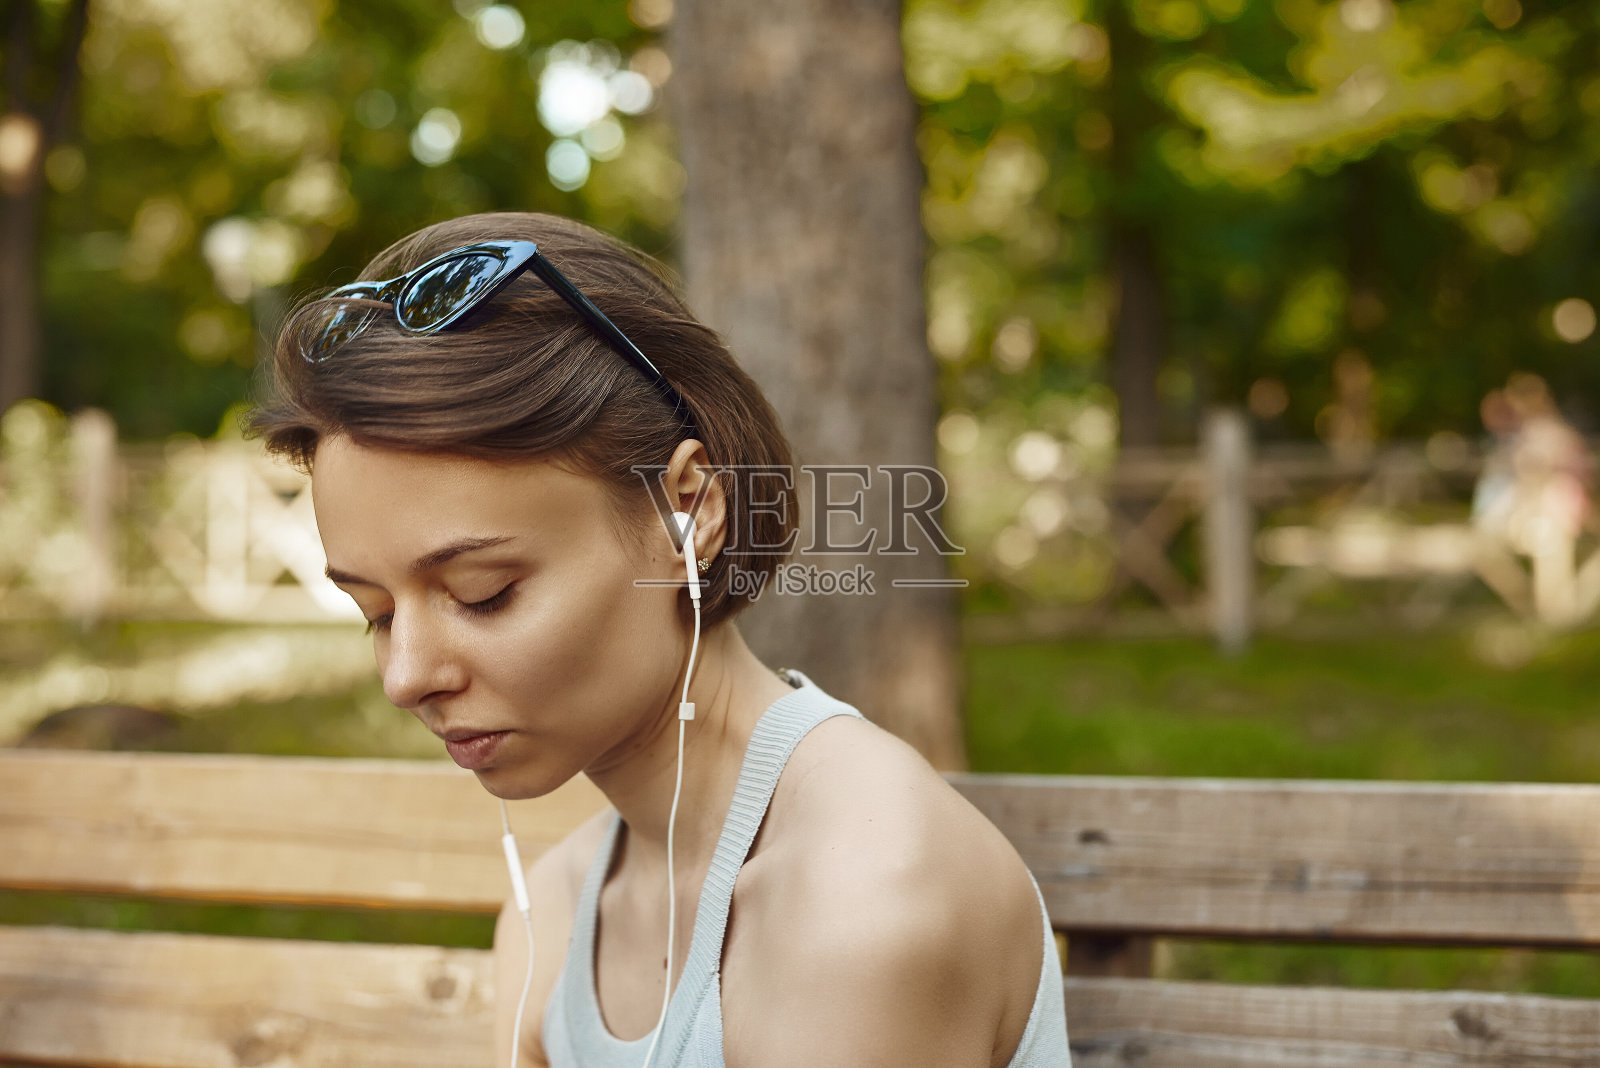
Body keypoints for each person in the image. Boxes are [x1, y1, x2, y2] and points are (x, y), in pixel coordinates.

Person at [247, 211, 1070, 1068]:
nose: (406, 676)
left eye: (483, 594)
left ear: (689, 509)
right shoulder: (559, 914)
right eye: (376, 613)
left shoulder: (862, 895)